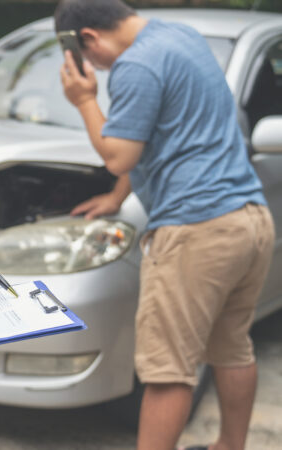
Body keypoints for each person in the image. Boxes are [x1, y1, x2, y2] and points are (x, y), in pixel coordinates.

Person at [55, 1, 275, 449]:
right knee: (233, 347)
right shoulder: (182, 37)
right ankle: (230, 446)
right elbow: (161, 131)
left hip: (197, 230)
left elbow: (118, 153)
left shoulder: (135, 65)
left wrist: (84, 100)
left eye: (83, 55)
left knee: (167, 369)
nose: (90, 65)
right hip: (250, 220)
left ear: (89, 39)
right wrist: (119, 195)